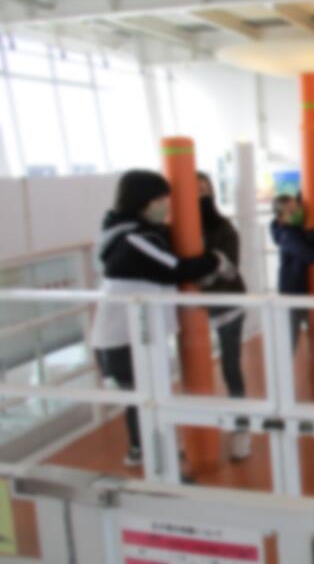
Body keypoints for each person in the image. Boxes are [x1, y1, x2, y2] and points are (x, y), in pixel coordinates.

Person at [91, 170, 235, 467]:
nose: (167, 205)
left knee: (143, 399)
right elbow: (176, 268)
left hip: (131, 336)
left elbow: (170, 249)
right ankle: (157, 462)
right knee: (148, 399)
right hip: (126, 340)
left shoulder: (129, 233)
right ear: (142, 201)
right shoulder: (133, 240)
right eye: (160, 199)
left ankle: (143, 452)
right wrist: (215, 260)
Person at [197, 172, 251, 461]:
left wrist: (198, 273)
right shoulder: (173, 228)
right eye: (193, 190)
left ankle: (241, 427)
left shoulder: (224, 228)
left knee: (230, 366)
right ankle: (194, 430)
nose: (199, 196)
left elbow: (230, 270)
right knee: (194, 370)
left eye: (203, 190)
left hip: (228, 306)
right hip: (190, 309)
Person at [270, 194, 314, 348]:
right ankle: (285, 364)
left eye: (297, 207)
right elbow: (308, 254)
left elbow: (313, 240)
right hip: (292, 295)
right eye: (291, 211)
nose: (297, 212)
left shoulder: (298, 231)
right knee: (290, 340)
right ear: (281, 219)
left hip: (304, 293)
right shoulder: (287, 235)